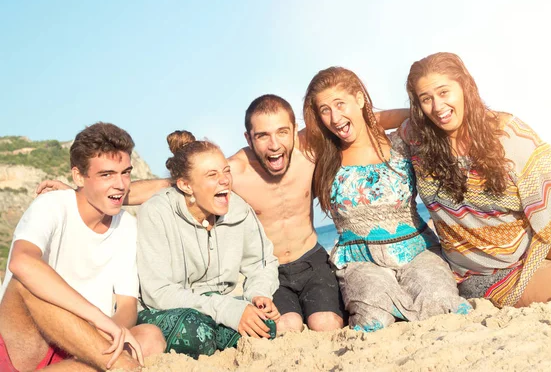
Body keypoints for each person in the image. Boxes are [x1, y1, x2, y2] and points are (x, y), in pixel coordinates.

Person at [36, 95, 405, 333]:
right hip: (274, 271)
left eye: (281, 132)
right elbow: (171, 184)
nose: (274, 143)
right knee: (289, 327)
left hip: (311, 258)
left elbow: (362, 122)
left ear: (296, 131)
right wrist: (86, 192)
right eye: (262, 135)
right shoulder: (234, 172)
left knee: (326, 324)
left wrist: (415, 113)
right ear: (248, 138)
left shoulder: (308, 150)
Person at [402, 52, 551, 308]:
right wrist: (414, 113)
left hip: (531, 237)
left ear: (465, 86)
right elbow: (371, 122)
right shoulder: (418, 139)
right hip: (487, 272)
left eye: (444, 92)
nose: (438, 107)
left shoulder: (504, 131)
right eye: (426, 99)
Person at [302, 67, 471, 332]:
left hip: (418, 251)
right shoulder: (321, 157)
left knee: (441, 304)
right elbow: (285, 140)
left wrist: (372, 120)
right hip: (359, 260)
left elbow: (425, 115)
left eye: (340, 104)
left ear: (359, 98)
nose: (335, 118)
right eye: (325, 110)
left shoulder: (401, 142)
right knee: (373, 319)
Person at [0, 122, 165, 372]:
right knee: (27, 280)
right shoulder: (52, 206)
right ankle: (122, 366)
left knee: (150, 336)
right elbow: (21, 263)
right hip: (26, 344)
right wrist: (96, 319)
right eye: (106, 174)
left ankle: (102, 365)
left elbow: (128, 306)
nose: (120, 185)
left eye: (126, 172)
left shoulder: (127, 226)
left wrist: (110, 331)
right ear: (78, 176)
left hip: (81, 346)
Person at [136, 130, 280, 359]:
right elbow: (158, 293)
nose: (225, 180)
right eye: (212, 175)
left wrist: (258, 294)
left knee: (264, 328)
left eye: (226, 171)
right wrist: (226, 309)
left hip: (217, 302)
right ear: (185, 185)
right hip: (165, 309)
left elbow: (262, 263)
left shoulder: (239, 209)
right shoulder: (156, 213)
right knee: (197, 333)